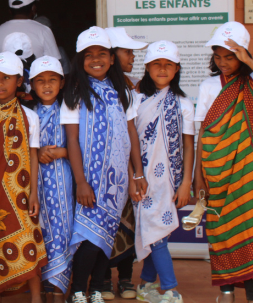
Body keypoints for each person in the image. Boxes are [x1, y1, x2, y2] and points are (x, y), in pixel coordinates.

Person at [193, 22, 253, 303]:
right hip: (216, 170)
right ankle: (226, 293)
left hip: (249, 172)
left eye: (230, 56)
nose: (223, 62)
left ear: (243, 54)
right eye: (218, 56)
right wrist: (199, 175)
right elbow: (203, 129)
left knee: (251, 225)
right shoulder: (209, 85)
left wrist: (250, 62)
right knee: (222, 229)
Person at [60, 27, 145, 303]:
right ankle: (77, 291)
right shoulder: (74, 91)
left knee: (106, 237)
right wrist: (81, 181)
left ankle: (95, 288)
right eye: (88, 55)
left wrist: (137, 173)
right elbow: (72, 139)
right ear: (79, 60)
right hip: (91, 179)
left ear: (111, 58)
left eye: (101, 54)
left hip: (118, 180)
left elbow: (131, 133)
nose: (95, 59)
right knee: (87, 238)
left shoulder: (124, 91)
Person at [0, 52, 47, 302]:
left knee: (29, 242)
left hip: (21, 194)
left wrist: (34, 192)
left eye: (6, 78)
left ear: (19, 81)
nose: (0, 83)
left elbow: (33, 157)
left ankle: (36, 298)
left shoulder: (30, 116)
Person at [130, 41, 195, 303]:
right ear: (147, 67)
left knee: (157, 230)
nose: (162, 69)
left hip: (169, 180)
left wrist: (185, 183)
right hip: (142, 179)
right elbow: (129, 139)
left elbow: (189, 145)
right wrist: (135, 175)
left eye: (168, 64)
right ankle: (158, 286)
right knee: (153, 229)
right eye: (157, 63)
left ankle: (158, 287)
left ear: (177, 68)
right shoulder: (136, 99)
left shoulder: (183, 103)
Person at [100, 27, 148, 300]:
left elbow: (131, 134)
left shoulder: (130, 87)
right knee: (106, 224)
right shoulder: (98, 88)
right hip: (103, 171)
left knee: (128, 222)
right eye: (127, 51)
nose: (132, 57)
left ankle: (127, 279)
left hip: (129, 166)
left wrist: (135, 173)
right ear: (112, 56)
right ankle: (104, 278)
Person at [28, 56, 74, 303]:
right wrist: (38, 151)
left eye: (52, 80)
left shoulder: (69, 111)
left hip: (61, 181)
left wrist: (58, 152)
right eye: (40, 81)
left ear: (62, 82)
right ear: (32, 85)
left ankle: (58, 289)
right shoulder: (29, 114)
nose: (47, 85)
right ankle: (45, 288)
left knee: (61, 230)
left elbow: (80, 148)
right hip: (35, 183)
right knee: (40, 231)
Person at [0, 0, 61, 103]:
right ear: (33, 8)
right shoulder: (44, 31)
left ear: (9, 10)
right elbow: (55, 69)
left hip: (1, 101)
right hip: (37, 101)